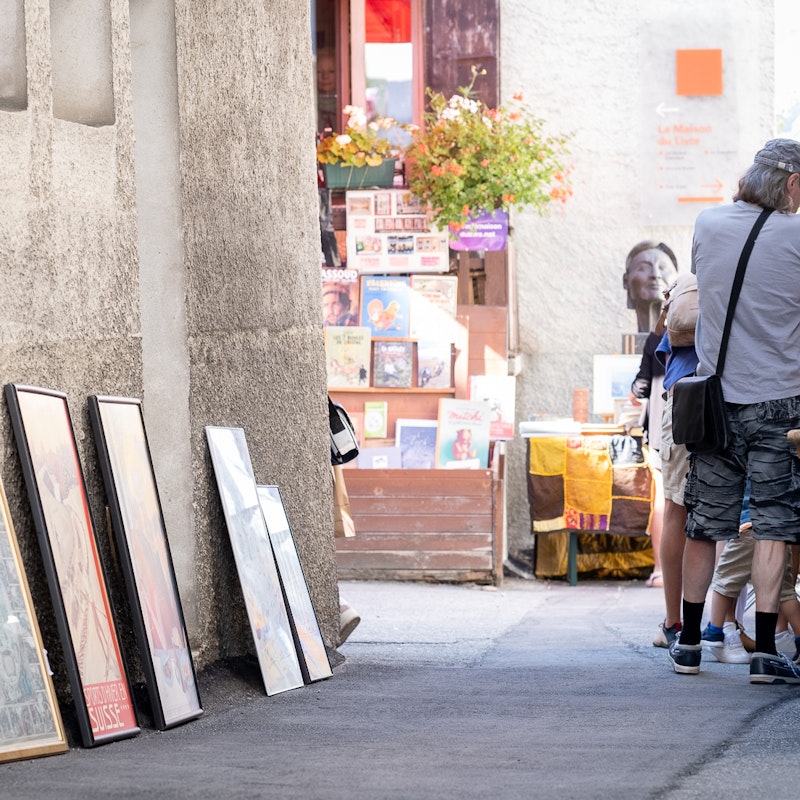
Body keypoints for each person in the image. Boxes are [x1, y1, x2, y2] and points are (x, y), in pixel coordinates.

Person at [668, 138, 800, 684]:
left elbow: (708, 285)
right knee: (772, 524)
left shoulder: (708, 223)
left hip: (717, 400)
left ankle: (692, 642)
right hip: (780, 402)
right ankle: (766, 651)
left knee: (706, 523)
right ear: (791, 184)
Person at [626, 241, 678, 589]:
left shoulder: (654, 340)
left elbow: (639, 390)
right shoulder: (698, 333)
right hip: (698, 428)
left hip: (662, 433)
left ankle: (661, 571)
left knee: (664, 503)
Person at [651, 329, 697, 647]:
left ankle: (675, 624)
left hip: (684, 396)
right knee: (733, 513)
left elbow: (669, 357)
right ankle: (725, 626)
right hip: (738, 396)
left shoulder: (689, 288)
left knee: (675, 510)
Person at [623, 241, 679, 333]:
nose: (656, 275)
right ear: (626, 281)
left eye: (662, 268)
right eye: (644, 268)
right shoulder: (630, 344)